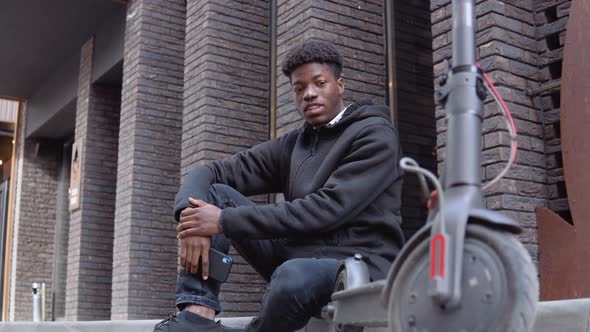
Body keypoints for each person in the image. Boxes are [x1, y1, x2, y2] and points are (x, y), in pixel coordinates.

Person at [154, 40, 404, 332]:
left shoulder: (374, 134)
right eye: (299, 89)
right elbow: (211, 171)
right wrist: (190, 218)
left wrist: (222, 221)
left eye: (319, 83)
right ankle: (197, 316)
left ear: (340, 85)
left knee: (292, 274)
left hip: (359, 266)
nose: (309, 94)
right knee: (215, 196)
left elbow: (326, 209)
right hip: (299, 258)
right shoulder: (294, 144)